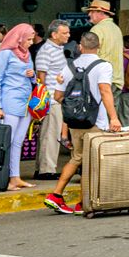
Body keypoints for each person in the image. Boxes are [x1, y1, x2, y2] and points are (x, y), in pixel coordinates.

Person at [44, 30, 123, 215]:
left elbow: (58, 96)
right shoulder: (103, 66)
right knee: (92, 162)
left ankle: (56, 195)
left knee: (77, 157)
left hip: (75, 122)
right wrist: (114, 117)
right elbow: (105, 91)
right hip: (96, 122)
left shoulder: (68, 67)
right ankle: (83, 202)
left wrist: (76, 109)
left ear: (80, 46)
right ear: (99, 47)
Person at [0, 22, 38, 190]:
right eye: (28, 39)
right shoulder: (5, 54)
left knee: (18, 142)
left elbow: (34, 80)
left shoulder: (26, 54)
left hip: (25, 102)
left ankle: (15, 177)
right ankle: (4, 177)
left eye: (31, 39)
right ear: (19, 38)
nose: (30, 42)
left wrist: (32, 75)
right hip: (9, 101)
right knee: (7, 141)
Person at [33, 19, 73, 179]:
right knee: (50, 134)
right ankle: (46, 170)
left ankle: (43, 167)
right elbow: (41, 77)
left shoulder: (57, 49)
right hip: (50, 99)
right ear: (54, 34)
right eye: (64, 33)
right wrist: (45, 100)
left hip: (57, 98)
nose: (68, 35)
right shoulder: (46, 50)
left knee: (51, 133)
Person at [85, 0, 125, 86]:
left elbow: (89, 54)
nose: (89, 14)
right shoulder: (116, 29)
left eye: (92, 11)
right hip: (117, 80)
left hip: (102, 80)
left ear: (100, 12)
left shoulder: (97, 29)